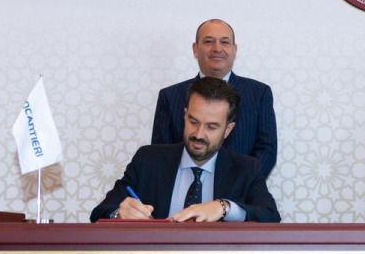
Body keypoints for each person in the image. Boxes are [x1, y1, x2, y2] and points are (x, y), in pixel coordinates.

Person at [92, 77, 280, 222]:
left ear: (228, 130)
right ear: (185, 115)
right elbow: (100, 212)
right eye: (193, 121)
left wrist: (224, 207)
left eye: (211, 127)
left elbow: (270, 217)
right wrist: (119, 214)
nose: (198, 134)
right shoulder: (148, 160)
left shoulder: (246, 169)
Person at [150, 19, 277, 177]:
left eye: (224, 42)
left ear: (234, 50)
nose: (217, 48)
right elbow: (160, 154)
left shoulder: (259, 94)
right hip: (186, 188)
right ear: (195, 49)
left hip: (240, 189)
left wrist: (240, 186)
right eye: (209, 41)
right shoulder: (169, 96)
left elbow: (267, 150)